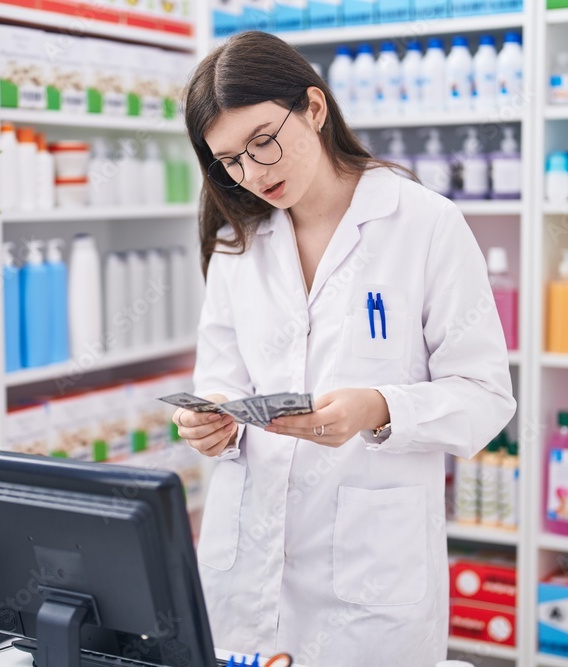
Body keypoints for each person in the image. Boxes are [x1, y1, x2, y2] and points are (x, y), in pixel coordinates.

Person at [171, 31, 516, 667]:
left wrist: (378, 408)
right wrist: (209, 419)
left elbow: (486, 396)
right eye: (230, 161)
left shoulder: (424, 224)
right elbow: (219, 378)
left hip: (369, 588)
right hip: (243, 572)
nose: (253, 172)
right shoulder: (237, 242)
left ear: (314, 107)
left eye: (263, 141)